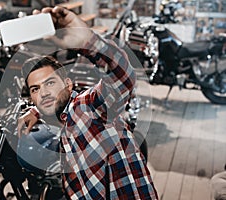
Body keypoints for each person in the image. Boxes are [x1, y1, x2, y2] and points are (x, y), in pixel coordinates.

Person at [18, 6, 158, 199]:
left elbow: (121, 75)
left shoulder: (87, 107)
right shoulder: (65, 117)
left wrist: (87, 41)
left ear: (68, 84)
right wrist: (36, 111)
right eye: (35, 89)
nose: (43, 93)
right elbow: (51, 99)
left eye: (50, 82)